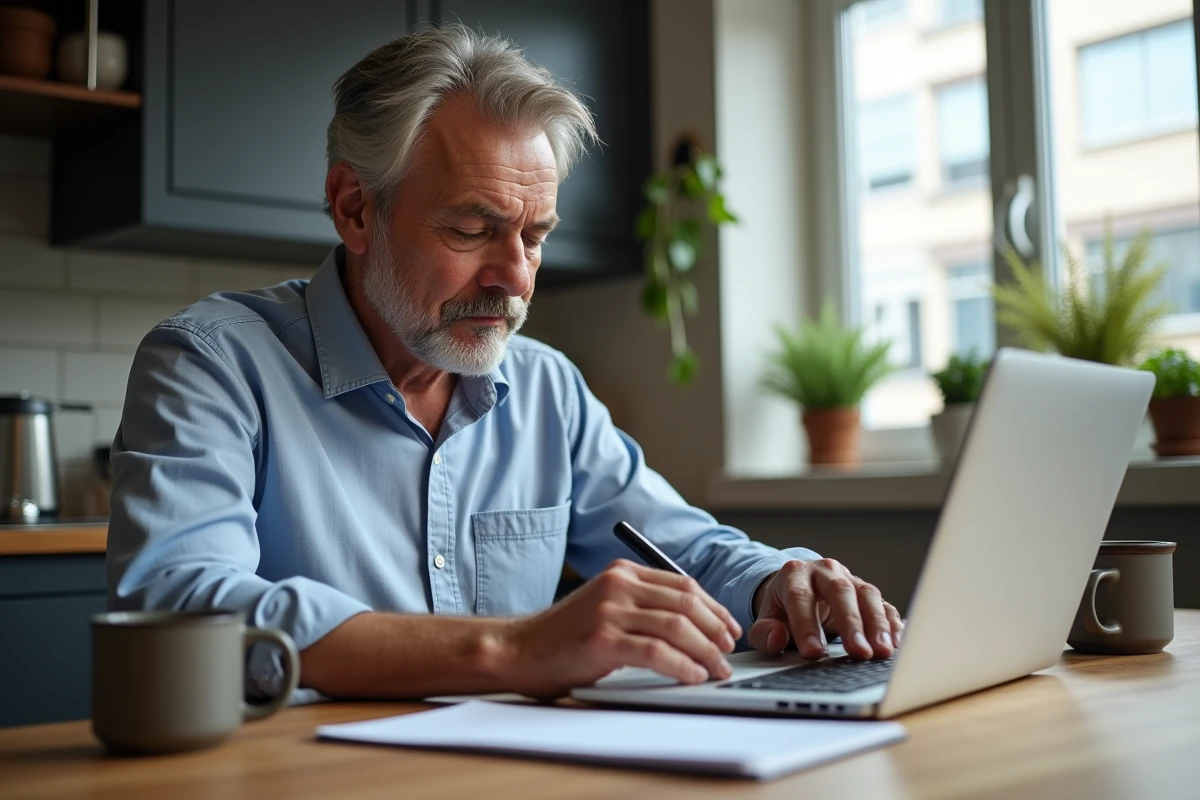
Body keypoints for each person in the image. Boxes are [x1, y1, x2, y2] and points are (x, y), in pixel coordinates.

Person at [108, 25, 904, 705]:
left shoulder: (548, 388)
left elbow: (682, 550)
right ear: (355, 208)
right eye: (472, 228)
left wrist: (782, 580)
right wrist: (511, 649)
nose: (515, 278)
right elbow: (181, 610)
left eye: (535, 235)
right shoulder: (212, 362)